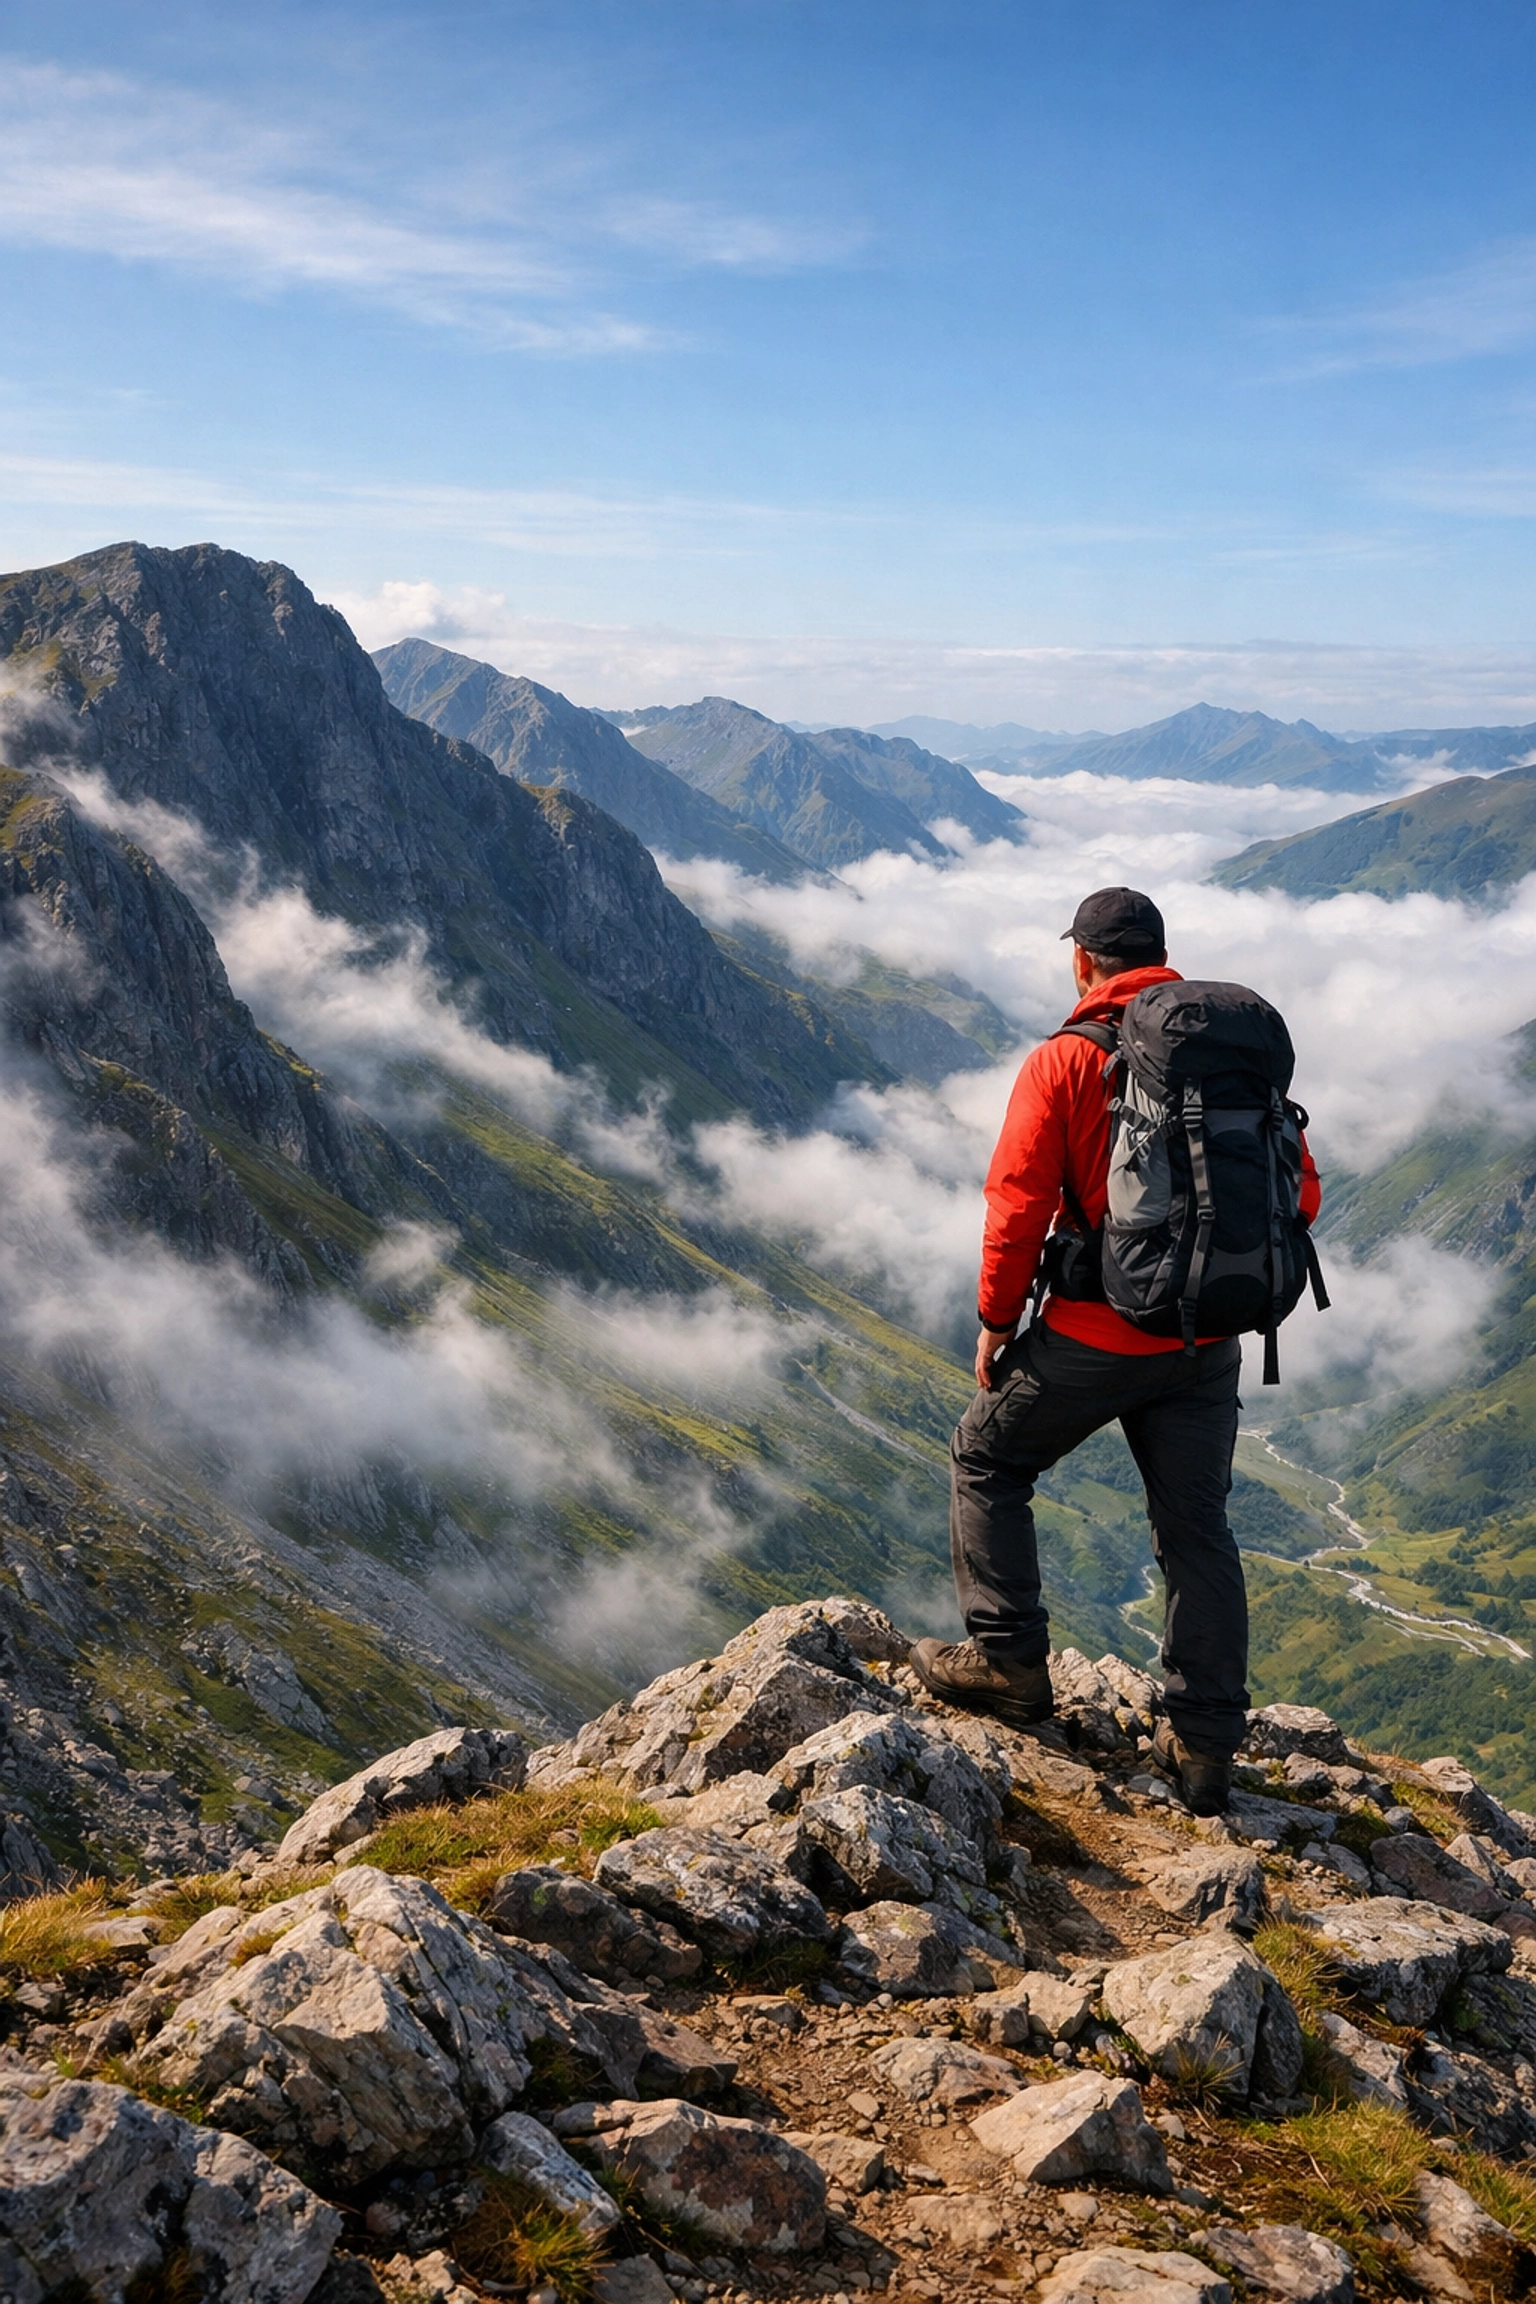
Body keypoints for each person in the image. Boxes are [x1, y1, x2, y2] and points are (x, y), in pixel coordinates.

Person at [909, 887, 1321, 1816]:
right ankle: (1206, 1746)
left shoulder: (1064, 1060)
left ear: (1081, 962)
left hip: (1095, 1334)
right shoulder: (1231, 1054)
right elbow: (1300, 1193)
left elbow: (1016, 1205)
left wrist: (997, 1319)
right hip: (1209, 1342)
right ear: (1162, 957)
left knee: (986, 1456)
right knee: (1197, 1533)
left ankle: (1009, 1663)